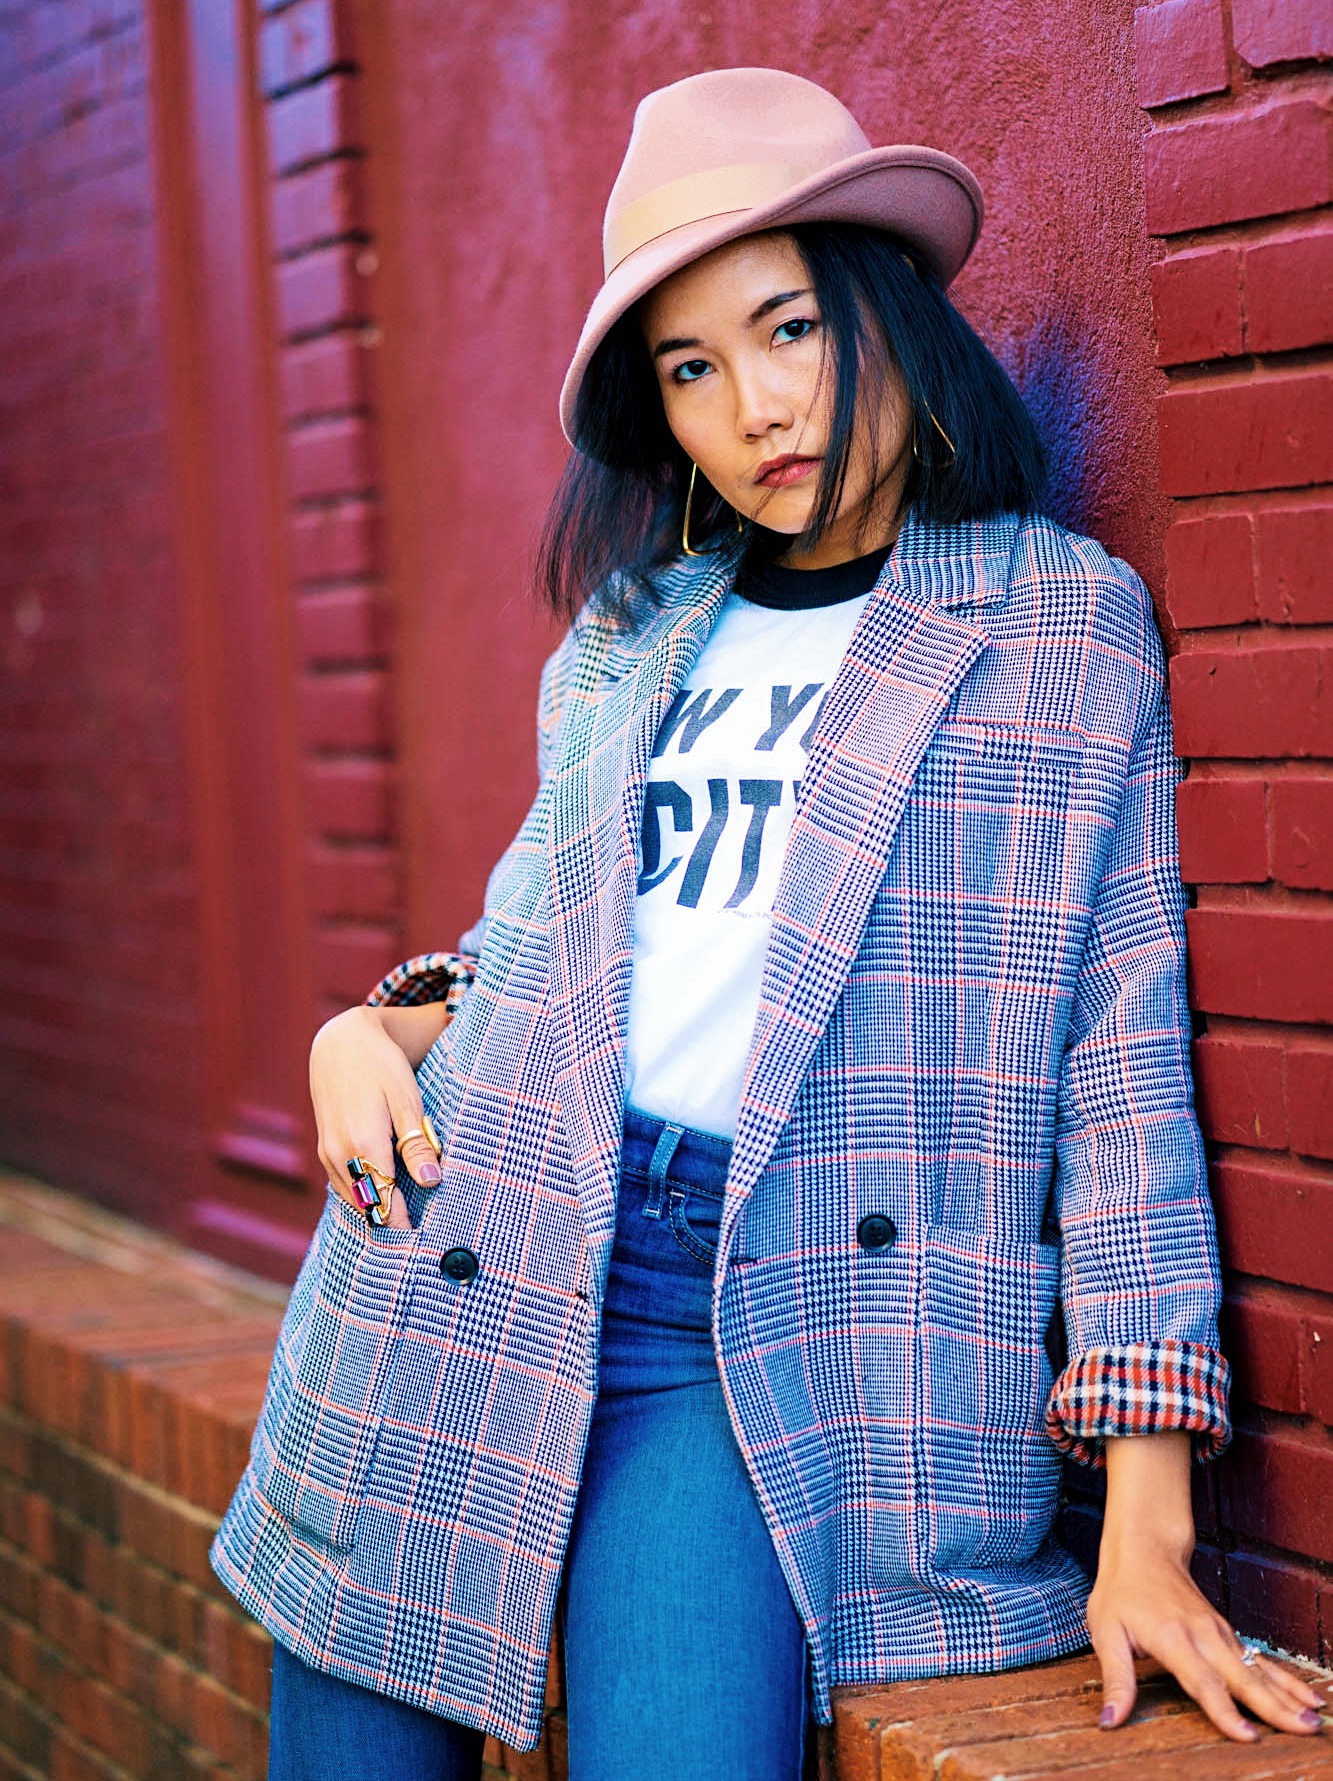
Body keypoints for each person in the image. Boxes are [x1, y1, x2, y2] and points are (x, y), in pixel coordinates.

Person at [211, 67, 1326, 1781]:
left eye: (787, 329)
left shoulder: (1053, 622)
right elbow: (541, 948)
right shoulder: (630, 632)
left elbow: (1117, 1072)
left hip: (759, 1320)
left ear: (881, 305)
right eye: (690, 367)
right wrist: (370, 1026)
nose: (752, 407)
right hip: (472, 1247)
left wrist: (1147, 1516)